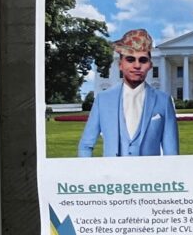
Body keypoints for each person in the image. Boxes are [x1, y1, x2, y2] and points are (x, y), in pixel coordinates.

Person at [76, 28, 178, 157]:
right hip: (113, 169)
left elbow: (171, 152)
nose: (137, 66)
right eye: (130, 59)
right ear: (120, 65)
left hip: (150, 170)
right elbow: (86, 145)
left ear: (150, 65)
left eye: (143, 60)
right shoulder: (103, 99)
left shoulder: (163, 101)